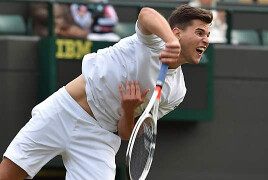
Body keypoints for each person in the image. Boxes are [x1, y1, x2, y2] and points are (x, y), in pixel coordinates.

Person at [0, 4, 212, 180]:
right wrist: (170, 40)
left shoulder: (176, 92)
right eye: (199, 32)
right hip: (63, 112)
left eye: (208, 35)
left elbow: (127, 134)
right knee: (8, 175)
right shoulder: (153, 41)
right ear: (177, 32)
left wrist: (128, 109)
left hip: (99, 138)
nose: (206, 40)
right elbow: (146, 13)